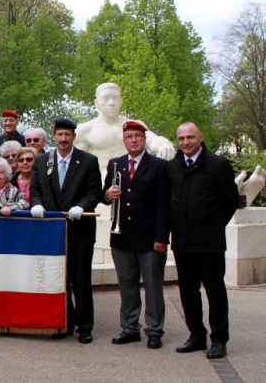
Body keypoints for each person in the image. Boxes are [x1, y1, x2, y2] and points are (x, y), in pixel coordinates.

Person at [168, 122, 239, 359]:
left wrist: (214, 225)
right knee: (188, 292)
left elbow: (230, 201)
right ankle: (196, 335)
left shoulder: (218, 165)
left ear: (201, 137)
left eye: (190, 137)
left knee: (215, 292)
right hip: (182, 242)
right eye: (181, 138)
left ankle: (219, 339)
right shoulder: (173, 167)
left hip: (210, 243)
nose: (186, 142)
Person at [29, 118, 102, 344]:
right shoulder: (42, 161)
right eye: (59, 134)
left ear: (73, 137)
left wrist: (83, 205)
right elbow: (35, 188)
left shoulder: (88, 161)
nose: (63, 139)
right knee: (58, 280)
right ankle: (64, 323)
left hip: (79, 230)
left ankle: (85, 326)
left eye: (67, 135)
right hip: (52, 231)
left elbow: (94, 191)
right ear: (53, 136)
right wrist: (36, 203)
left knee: (80, 280)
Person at [101, 121, 170, 349]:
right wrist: (107, 193)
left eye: (138, 136)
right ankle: (130, 328)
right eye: (129, 136)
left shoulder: (159, 166)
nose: (133, 140)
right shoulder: (115, 164)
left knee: (153, 287)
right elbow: (104, 195)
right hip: (122, 237)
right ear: (124, 140)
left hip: (150, 238)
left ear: (144, 139)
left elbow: (164, 205)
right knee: (127, 285)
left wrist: (161, 238)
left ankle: (154, 330)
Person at [75, 83, 175, 181]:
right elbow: (78, 168)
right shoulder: (85, 130)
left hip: (133, 186)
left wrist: (165, 143)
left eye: (115, 98)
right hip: (101, 188)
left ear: (120, 101)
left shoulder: (135, 126)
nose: (111, 103)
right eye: (105, 99)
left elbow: (153, 140)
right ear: (97, 103)